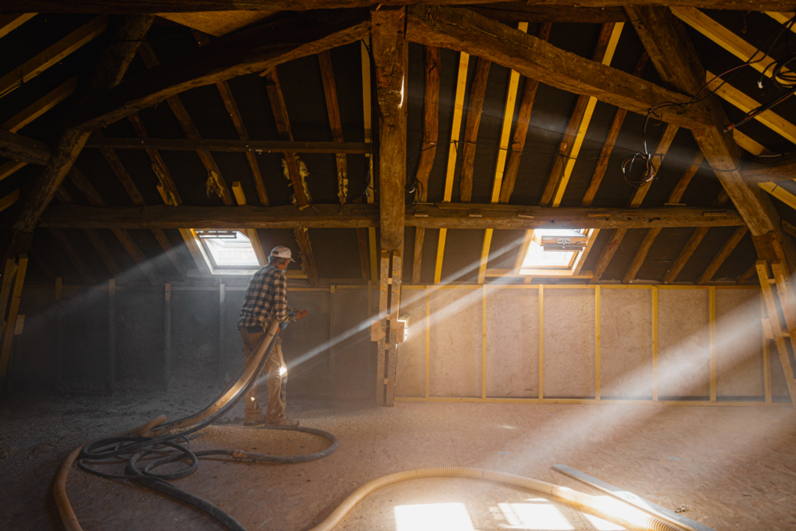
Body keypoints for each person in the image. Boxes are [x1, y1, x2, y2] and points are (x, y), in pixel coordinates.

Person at [238, 245, 307, 426]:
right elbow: (279, 311)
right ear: (284, 262)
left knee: (250, 373)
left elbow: (263, 303)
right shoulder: (278, 276)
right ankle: (275, 417)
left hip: (246, 326)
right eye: (287, 263)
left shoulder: (258, 274)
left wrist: (292, 312)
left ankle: (252, 415)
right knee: (277, 373)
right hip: (263, 330)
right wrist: (291, 318)